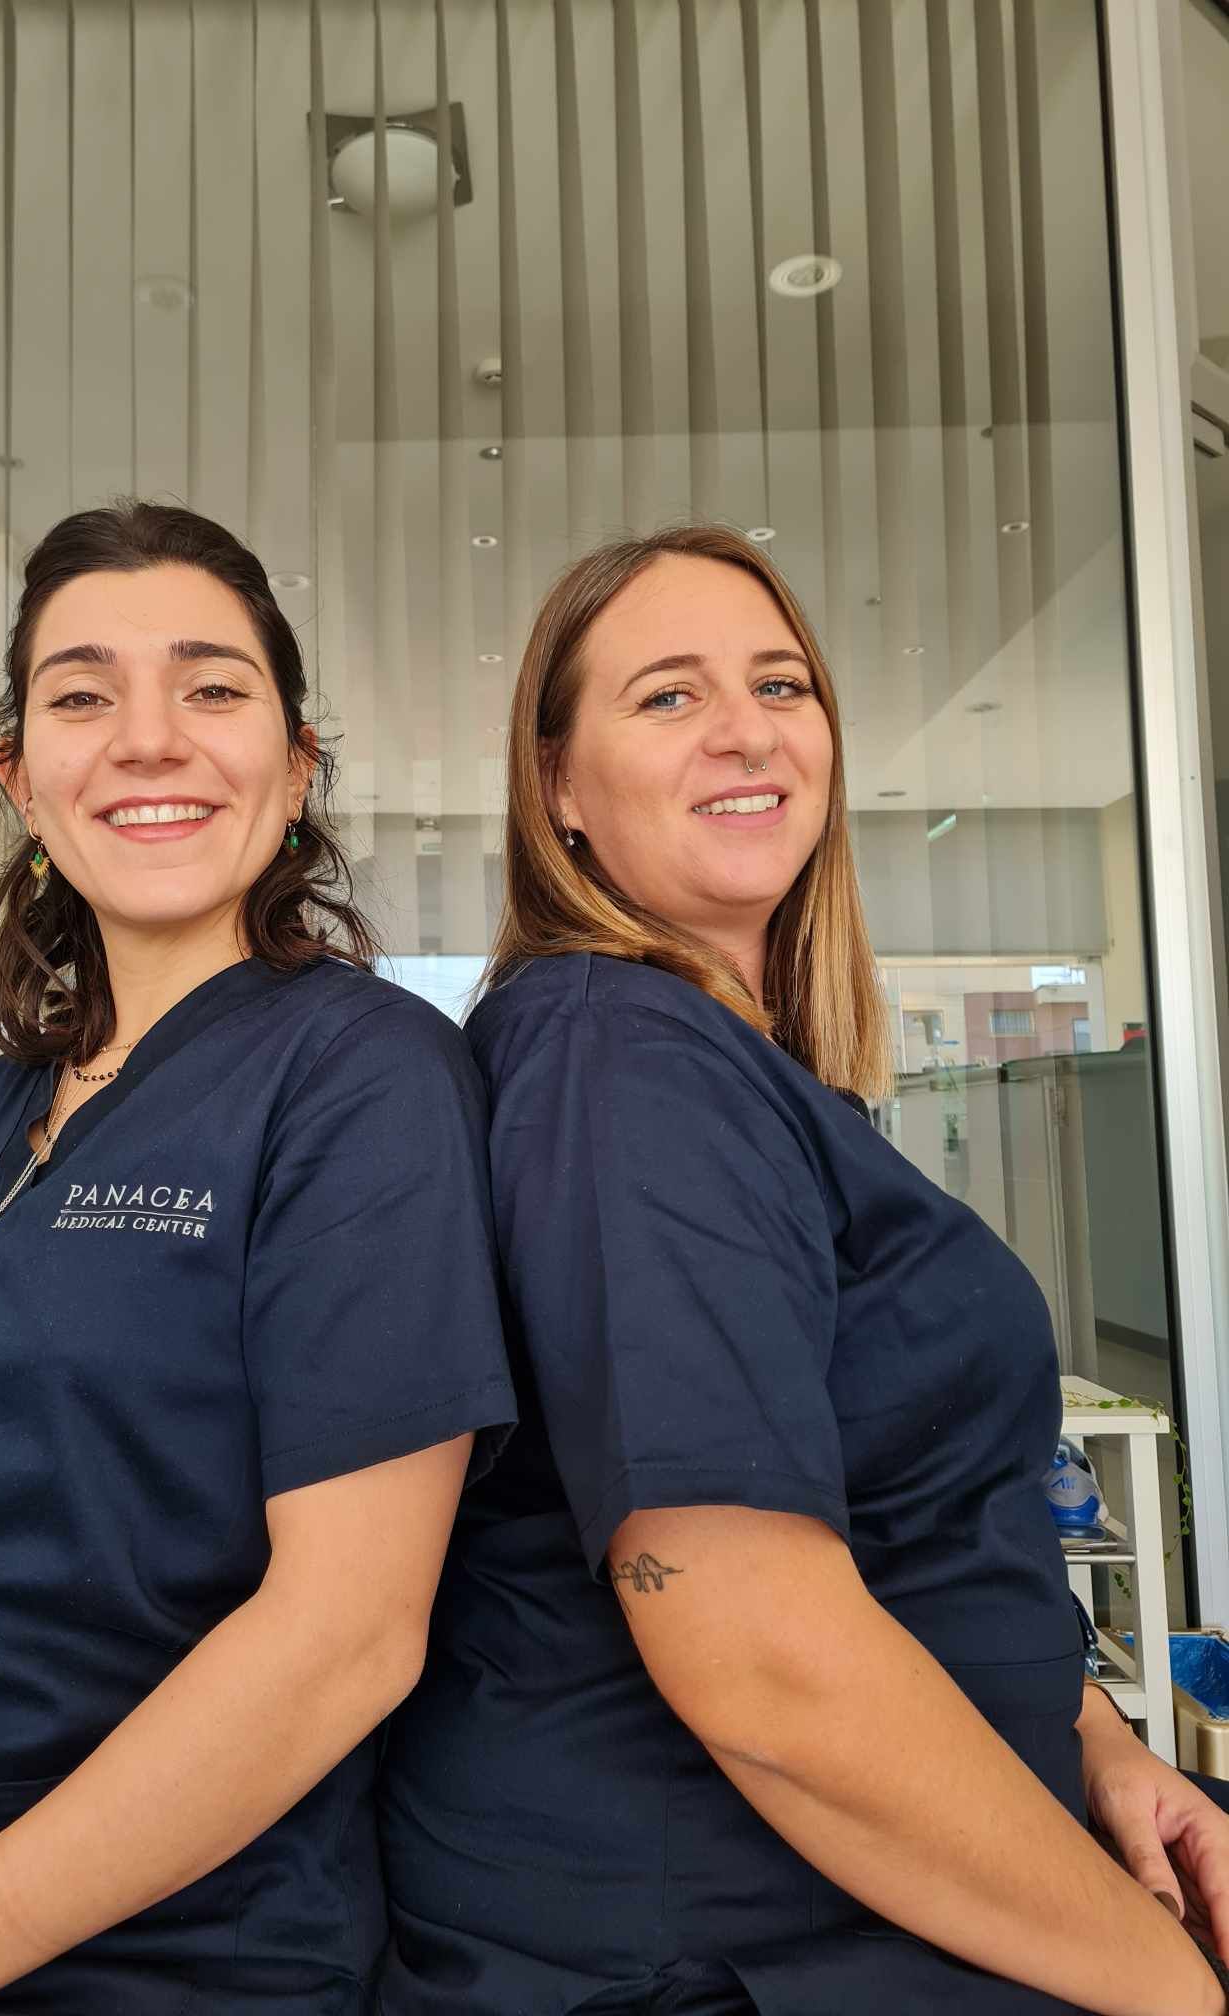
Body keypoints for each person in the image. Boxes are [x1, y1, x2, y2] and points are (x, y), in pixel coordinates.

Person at [378, 525, 1229, 2016]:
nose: (745, 727)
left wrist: (1092, 1744)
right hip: (727, 1946)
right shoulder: (616, 1056)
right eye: (665, 696)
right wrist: (1164, 1985)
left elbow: (892, 1530)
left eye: (780, 681)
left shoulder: (729, 1070)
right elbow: (759, 1660)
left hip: (875, 1897)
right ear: (559, 789)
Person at [0, 501, 514, 2012]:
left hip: (159, 1955)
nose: (148, 739)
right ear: (22, 778)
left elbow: (344, 1636)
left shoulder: (365, 1078)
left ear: (296, 767)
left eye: (212, 688)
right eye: (82, 695)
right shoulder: (2, 1097)